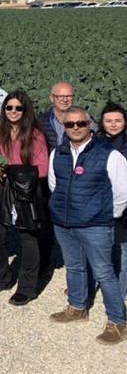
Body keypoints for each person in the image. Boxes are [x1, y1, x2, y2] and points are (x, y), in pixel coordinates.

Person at [48, 107, 127, 345]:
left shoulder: (109, 154)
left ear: (89, 124)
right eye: (70, 124)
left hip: (95, 224)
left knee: (104, 272)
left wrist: (105, 215)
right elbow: (55, 185)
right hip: (64, 222)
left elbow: (122, 192)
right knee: (74, 267)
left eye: (80, 124)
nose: (75, 128)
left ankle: (118, 322)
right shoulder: (58, 153)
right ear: (64, 126)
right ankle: (77, 307)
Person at [0, 91, 49, 306]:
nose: (13, 111)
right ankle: (2, 277)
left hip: (24, 192)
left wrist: (13, 173)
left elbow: (43, 167)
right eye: (9, 108)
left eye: (18, 108)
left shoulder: (35, 135)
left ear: (25, 110)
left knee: (28, 239)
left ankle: (27, 287)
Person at [97, 102, 127, 299]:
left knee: (123, 246)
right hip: (100, 200)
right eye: (109, 121)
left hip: (124, 202)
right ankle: (100, 281)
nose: (113, 124)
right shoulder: (96, 142)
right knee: (100, 244)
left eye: (118, 120)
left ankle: (121, 289)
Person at [41, 82, 96, 152]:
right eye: (60, 96)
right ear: (51, 98)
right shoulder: (41, 121)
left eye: (69, 96)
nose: (65, 100)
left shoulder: (84, 120)